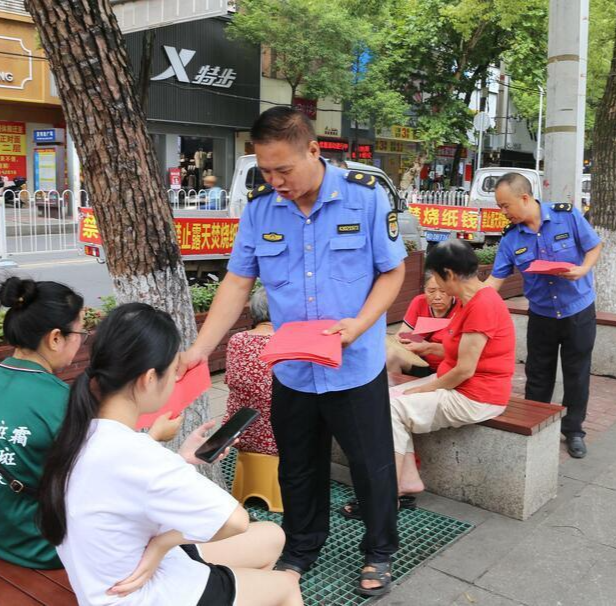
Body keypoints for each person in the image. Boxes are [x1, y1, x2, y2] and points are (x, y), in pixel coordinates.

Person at [180, 107, 406, 596]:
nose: (276, 180)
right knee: (298, 466)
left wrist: (361, 325)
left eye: (284, 169)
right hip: (294, 370)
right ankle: (302, 546)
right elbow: (238, 282)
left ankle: (380, 549)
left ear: (313, 151)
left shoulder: (363, 201)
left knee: (371, 464)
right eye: (265, 170)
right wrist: (201, 348)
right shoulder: (262, 211)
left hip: (354, 366)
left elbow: (393, 272)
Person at [37, 303, 303, 606]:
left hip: (110, 580)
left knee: (271, 536)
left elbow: (125, 480)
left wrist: (181, 458)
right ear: (149, 378)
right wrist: (163, 544)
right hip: (145, 593)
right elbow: (236, 521)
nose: (177, 378)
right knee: (285, 585)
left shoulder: (80, 434)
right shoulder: (140, 454)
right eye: (175, 369)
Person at [341, 241, 513, 518]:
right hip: (463, 386)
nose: (438, 289)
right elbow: (463, 353)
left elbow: (465, 370)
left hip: (476, 395)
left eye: (438, 280)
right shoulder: (477, 300)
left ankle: (383, 497)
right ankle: (406, 482)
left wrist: (425, 388)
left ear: (450, 273)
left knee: (388, 409)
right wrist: (429, 348)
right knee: (383, 399)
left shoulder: (481, 305)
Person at [0, 277, 90, 569]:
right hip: (44, 548)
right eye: (80, 332)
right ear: (55, 338)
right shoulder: (62, 401)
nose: (81, 340)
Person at [485, 173, 603, 459]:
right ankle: (534, 427)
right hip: (541, 316)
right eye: (500, 206)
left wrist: (583, 270)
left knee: (576, 374)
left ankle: (573, 430)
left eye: (505, 206)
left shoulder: (568, 216)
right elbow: (494, 282)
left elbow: (594, 246)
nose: (503, 212)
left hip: (578, 309)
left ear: (524, 198)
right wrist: (463, 296)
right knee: (538, 375)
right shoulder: (511, 239)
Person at [224, 287, 277, 455]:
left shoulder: (237, 340)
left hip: (240, 432)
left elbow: (231, 382)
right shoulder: (286, 342)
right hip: (277, 437)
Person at [387, 271, 459, 376]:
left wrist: (428, 346)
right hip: (421, 362)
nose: (437, 296)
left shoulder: (462, 306)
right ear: (424, 289)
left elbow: (463, 350)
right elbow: (402, 335)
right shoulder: (419, 302)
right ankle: (396, 391)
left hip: (450, 367)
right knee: (391, 355)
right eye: (431, 291)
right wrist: (422, 342)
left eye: (443, 291)